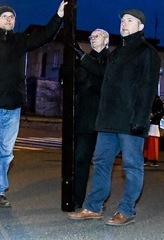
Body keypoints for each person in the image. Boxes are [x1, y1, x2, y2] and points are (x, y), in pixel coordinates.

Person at [0, 1, 66, 209]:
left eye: (12, 17)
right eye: (5, 16)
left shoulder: (19, 41)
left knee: (6, 152)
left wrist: (58, 16)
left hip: (12, 106)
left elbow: (45, 36)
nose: (9, 19)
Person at [68, 9, 161, 226]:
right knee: (101, 163)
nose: (124, 24)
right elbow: (103, 74)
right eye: (122, 21)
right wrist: (83, 57)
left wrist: (140, 119)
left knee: (131, 166)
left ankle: (126, 210)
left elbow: (147, 89)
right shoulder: (117, 52)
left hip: (130, 122)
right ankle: (93, 206)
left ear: (141, 27)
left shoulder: (147, 53)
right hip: (108, 120)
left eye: (130, 21)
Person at [72, 28, 109, 209]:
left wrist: (83, 59)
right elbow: (75, 83)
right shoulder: (83, 60)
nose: (93, 39)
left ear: (106, 40)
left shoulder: (111, 60)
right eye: (91, 37)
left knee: (102, 163)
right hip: (85, 118)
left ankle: (97, 201)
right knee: (80, 159)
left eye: (97, 36)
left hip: (104, 120)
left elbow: (103, 76)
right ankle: (77, 198)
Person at [144, 95, 164, 167]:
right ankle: (145, 158)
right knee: (146, 141)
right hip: (146, 122)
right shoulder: (146, 97)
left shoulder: (157, 99)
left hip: (153, 123)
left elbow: (162, 110)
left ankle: (153, 159)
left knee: (152, 140)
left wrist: (154, 115)